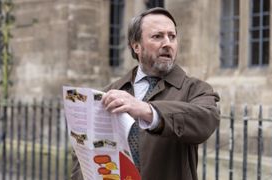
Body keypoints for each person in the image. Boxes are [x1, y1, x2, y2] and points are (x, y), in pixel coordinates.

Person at [71, 7, 220, 180]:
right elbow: (83, 156)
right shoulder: (108, 93)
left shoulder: (196, 89)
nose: (167, 43)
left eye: (172, 36)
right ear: (136, 47)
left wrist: (148, 111)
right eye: (157, 36)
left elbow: (207, 120)